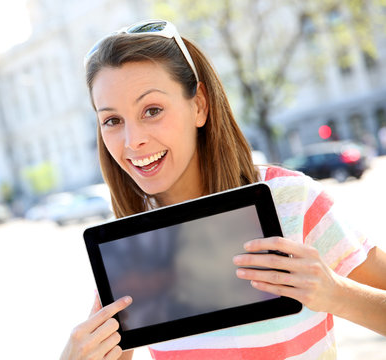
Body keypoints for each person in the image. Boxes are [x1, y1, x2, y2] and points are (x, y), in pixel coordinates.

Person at [60, 19, 386, 360]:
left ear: (199, 104)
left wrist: (335, 294)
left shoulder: (291, 201)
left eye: (152, 110)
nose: (133, 140)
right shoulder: (130, 249)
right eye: (112, 120)